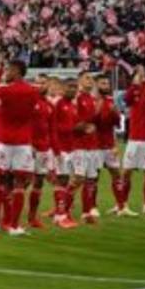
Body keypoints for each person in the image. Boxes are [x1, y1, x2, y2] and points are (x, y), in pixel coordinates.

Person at [0, 57, 42, 236]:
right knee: (19, 184)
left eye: (8, 70)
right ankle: (14, 226)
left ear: (16, 71)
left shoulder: (3, 90)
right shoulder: (33, 91)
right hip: (23, 143)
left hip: (4, 141)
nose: (6, 73)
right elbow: (34, 114)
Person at [121, 66, 145, 216]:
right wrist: (134, 85)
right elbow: (126, 99)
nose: (140, 77)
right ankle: (123, 204)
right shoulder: (133, 93)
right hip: (134, 140)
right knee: (126, 172)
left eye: (143, 75)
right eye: (138, 75)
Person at [26, 76, 58, 229]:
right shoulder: (29, 102)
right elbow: (22, 123)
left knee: (38, 182)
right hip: (28, 148)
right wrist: (28, 143)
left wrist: (55, 150)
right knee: (21, 182)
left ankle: (32, 217)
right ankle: (8, 217)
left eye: (43, 83)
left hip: (44, 149)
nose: (39, 85)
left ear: (48, 85)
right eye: (37, 82)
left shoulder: (50, 105)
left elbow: (52, 130)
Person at [51, 78, 83, 230]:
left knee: (74, 179)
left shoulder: (72, 106)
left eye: (75, 87)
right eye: (70, 87)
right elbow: (53, 127)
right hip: (60, 148)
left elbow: (74, 128)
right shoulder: (58, 104)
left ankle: (62, 212)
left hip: (71, 148)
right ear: (63, 88)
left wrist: (83, 129)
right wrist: (56, 150)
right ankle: (60, 216)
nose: (73, 90)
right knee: (61, 180)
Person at [94, 75, 126, 216]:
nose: (106, 86)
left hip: (109, 145)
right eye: (103, 83)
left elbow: (116, 125)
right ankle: (91, 207)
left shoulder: (110, 101)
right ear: (96, 85)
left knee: (117, 174)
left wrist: (115, 114)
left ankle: (120, 206)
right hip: (94, 146)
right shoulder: (92, 101)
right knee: (93, 177)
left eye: (107, 83)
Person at [73, 71, 100, 223]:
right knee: (78, 179)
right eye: (87, 78)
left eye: (91, 78)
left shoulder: (92, 99)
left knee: (90, 180)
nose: (90, 81)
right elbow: (71, 121)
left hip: (92, 145)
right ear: (80, 81)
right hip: (79, 145)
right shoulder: (76, 98)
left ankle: (86, 213)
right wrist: (84, 127)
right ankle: (61, 211)